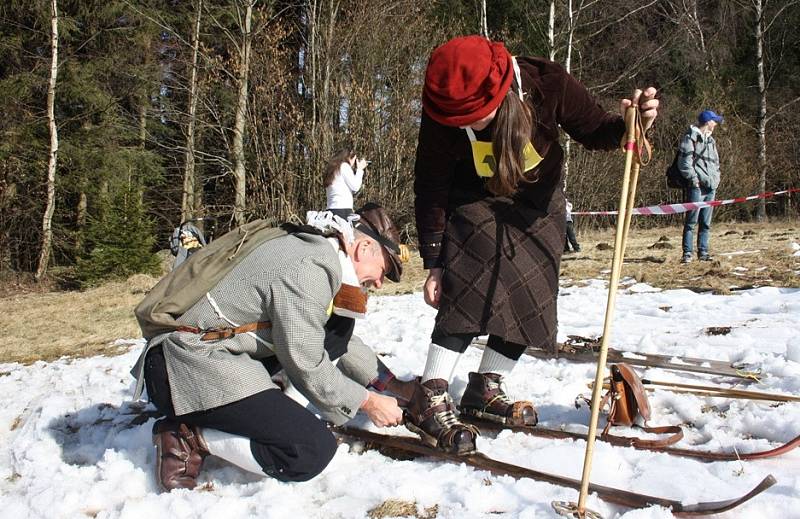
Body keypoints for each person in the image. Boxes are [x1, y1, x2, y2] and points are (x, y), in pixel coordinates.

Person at [408, 35, 659, 454]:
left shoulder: (549, 84)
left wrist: (631, 126)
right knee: (469, 285)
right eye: (461, 122)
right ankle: (430, 394)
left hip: (537, 203)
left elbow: (597, 130)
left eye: (477, 118)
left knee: (532, 296)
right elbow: (430, 184)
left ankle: (484, 389)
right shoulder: (443, 114)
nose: (468, 127)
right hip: (473, 200)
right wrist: (434, 260)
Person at [130, 204, 413, 491]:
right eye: (383, 270)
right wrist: (368, 401)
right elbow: (307, 362)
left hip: (209, 357)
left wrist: (391, 384)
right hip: (185, 369)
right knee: (309, 450)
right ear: (363, 247)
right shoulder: (310, 269)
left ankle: (274, 413)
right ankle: (191, 437)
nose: (378, 282)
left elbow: (337, 340)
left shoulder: (316, 253)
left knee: (338, 329)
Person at [679, 109, 722, 263]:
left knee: (706, 222)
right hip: (697, 187)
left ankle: (703, 253)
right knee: (691, 221)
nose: (716, 124)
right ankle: (687, 254)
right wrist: (694, 180)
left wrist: (716, 179)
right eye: (714, 121)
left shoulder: (712, 141)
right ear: (707, 122)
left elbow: (716, 163)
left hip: (711, 187)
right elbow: (684, 163)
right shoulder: (690, 138)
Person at [324, 149, 369, 219]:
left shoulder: (331, 169)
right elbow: (355, 186)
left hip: (330, 210)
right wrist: (360, 169)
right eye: (354, 159)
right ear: (350, 158)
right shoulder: (344, 166)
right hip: (343, 211)